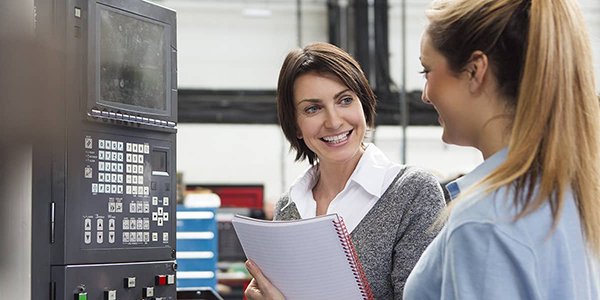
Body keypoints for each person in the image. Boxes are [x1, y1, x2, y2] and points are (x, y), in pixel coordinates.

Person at [403, 0, 600, 299]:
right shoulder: (571, 194)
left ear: (474, 71)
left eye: (426, 71)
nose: (425, 95)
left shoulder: (485, 223)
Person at [244, 42, 446, 300]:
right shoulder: (288, 207)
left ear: (364, 104)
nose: (334, 121)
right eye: (312, 108)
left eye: (345, 100)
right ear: (295, 126)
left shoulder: (413, 192)